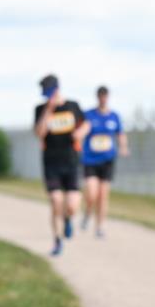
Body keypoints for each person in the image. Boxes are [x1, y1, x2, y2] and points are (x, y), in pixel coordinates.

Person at [34, 74, 88, 256]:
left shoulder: (73, 106)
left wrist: (80, 133)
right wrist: (48, 110)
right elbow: (39, 133)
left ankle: (67, 219)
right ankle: (57, 240)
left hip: (71, 162)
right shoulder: (40, 109)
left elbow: (86, 124)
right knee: (56, 201)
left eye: (49, 93)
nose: (47, 97)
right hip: (51, 163)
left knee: (72, 205)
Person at [81, 86, 129, 238]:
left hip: (107, 160)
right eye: (100, 96)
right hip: (90, 160)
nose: (103, 99)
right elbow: (81, 131)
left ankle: (100, 226)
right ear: (97, 97)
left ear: (108, 97)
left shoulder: (114, 116)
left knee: (103, 195)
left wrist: (123, 147)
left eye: (105, 96)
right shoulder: (88, 115)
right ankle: (88, 212)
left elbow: (120, 134)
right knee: (92, 193)